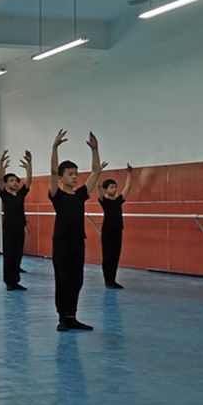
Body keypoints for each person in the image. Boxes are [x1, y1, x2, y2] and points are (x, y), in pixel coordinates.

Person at [49, 130, 105, 332]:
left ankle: (72, 316)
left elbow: (96, 172)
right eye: (70, 174)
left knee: (77, 280)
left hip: (77, 241)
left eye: (76, 174)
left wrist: (95, 150)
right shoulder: (56, 194)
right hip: (61, 242)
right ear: (61, 178)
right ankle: (62, 317)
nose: (74, 177)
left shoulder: (81, 194)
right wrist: (55, 148)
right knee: (62, 279)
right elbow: (53, 171)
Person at [0, 149, 32, 291]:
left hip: (19, 228)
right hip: (9, 228)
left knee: (17, 255)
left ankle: (15, 281)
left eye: (16, 181)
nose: (15, 183)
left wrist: (29, 164)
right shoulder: (4, 195)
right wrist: (1, 164)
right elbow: (0, 179)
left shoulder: (21, 195)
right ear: (6, 184)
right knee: (9, 255)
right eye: (11, 181)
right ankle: (8, 282)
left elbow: (29, 181)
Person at [98, 164, 133, 289]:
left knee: (115, 257)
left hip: (118, 231)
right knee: (107, 257)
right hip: (107, 232)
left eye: (115, 187)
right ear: (106, 190)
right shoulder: (104, 201)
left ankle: (113, 280)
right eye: (111, 187)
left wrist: (129, 173)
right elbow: (98, 186)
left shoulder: (118, 201)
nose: (114, 189)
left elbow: (128, 187)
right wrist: (98, 172)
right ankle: (107, 281)